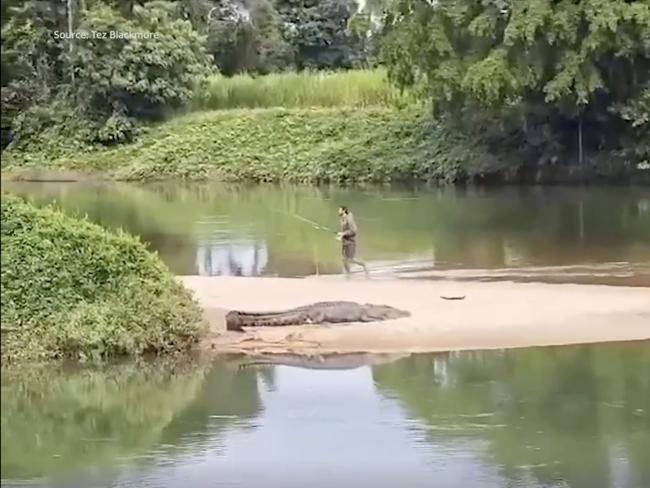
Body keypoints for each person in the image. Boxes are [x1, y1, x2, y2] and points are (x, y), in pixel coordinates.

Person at [337, 205, 369, 278]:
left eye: (339, 210)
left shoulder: (349, 219)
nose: (338, 211)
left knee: (350, 259)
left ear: (344, 210)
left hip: (350, 242)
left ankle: (363, 265)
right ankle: (348, 275)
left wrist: (342, 234)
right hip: (345, 242)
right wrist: (340, 235)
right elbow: (344, 231)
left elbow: (353, 231)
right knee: (343, 259)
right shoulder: (343, 219)